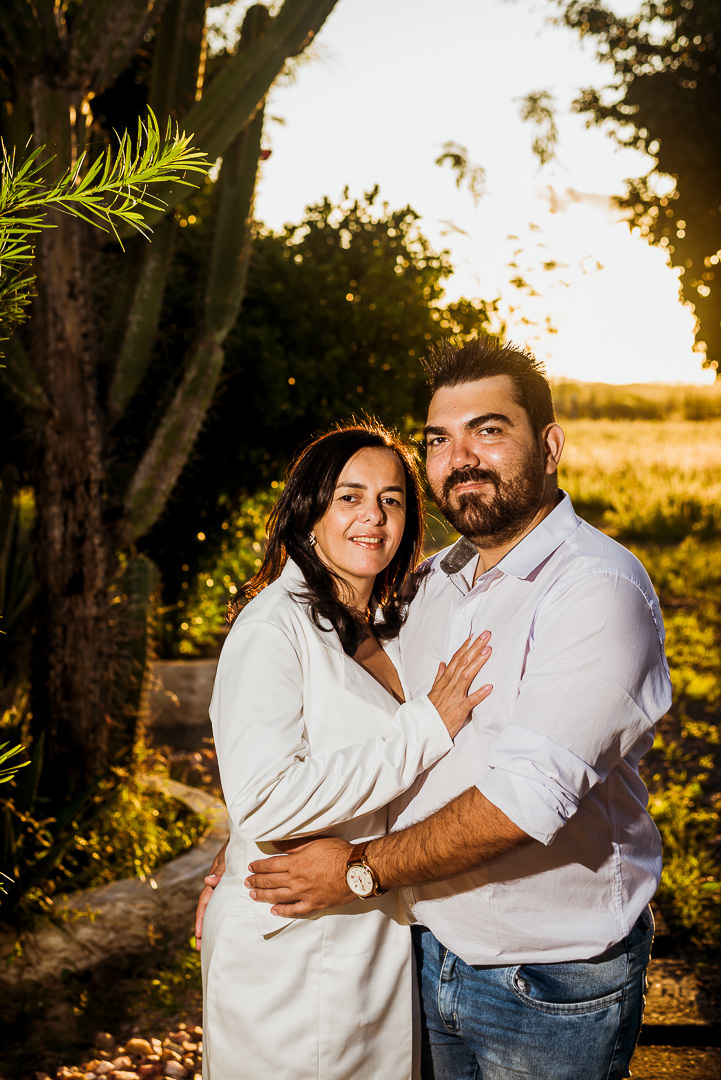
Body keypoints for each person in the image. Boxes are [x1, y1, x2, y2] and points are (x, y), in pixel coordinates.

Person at [199, 337, 672, 1080]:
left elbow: (524, 799)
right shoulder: (428, 585)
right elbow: (314, 724)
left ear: (548, 446)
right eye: (439, 439)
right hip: (424, 950)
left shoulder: (595, 589)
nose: (461, 457)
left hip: (544, 979)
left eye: (488, 430)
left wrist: (355, 868)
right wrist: (252, 834)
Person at [199, 422, 494, 1080]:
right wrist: (425, 725)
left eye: (391, 499)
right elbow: (267, 800)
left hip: (372, 932)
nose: (373, 516)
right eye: (349, 497)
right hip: (293, 950)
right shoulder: (271, 629)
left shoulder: (388, 622)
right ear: (309, 511)